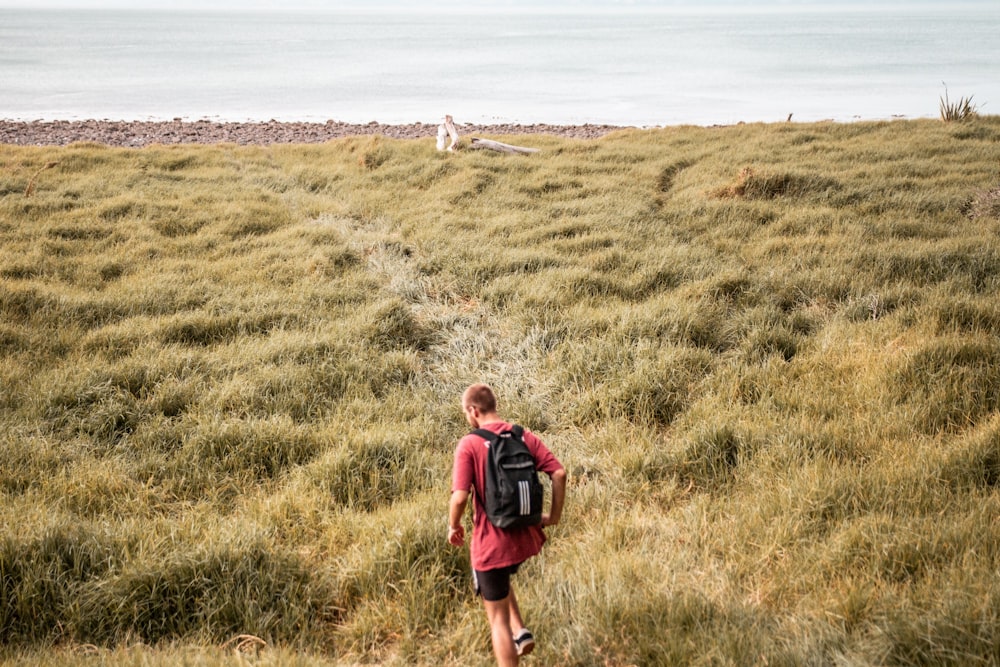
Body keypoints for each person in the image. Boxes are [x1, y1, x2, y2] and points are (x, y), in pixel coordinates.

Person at [448, 383, 567, 666]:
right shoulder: (521, 435)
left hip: (491, 542)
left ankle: (511, 631)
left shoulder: (470, 443)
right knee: (499, 578)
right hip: (525, 535)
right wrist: (554, 517)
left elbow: (460, 497)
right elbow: (559, 474)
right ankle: (521, 631)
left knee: (496, 620)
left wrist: (453, 526)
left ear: (473, 411)